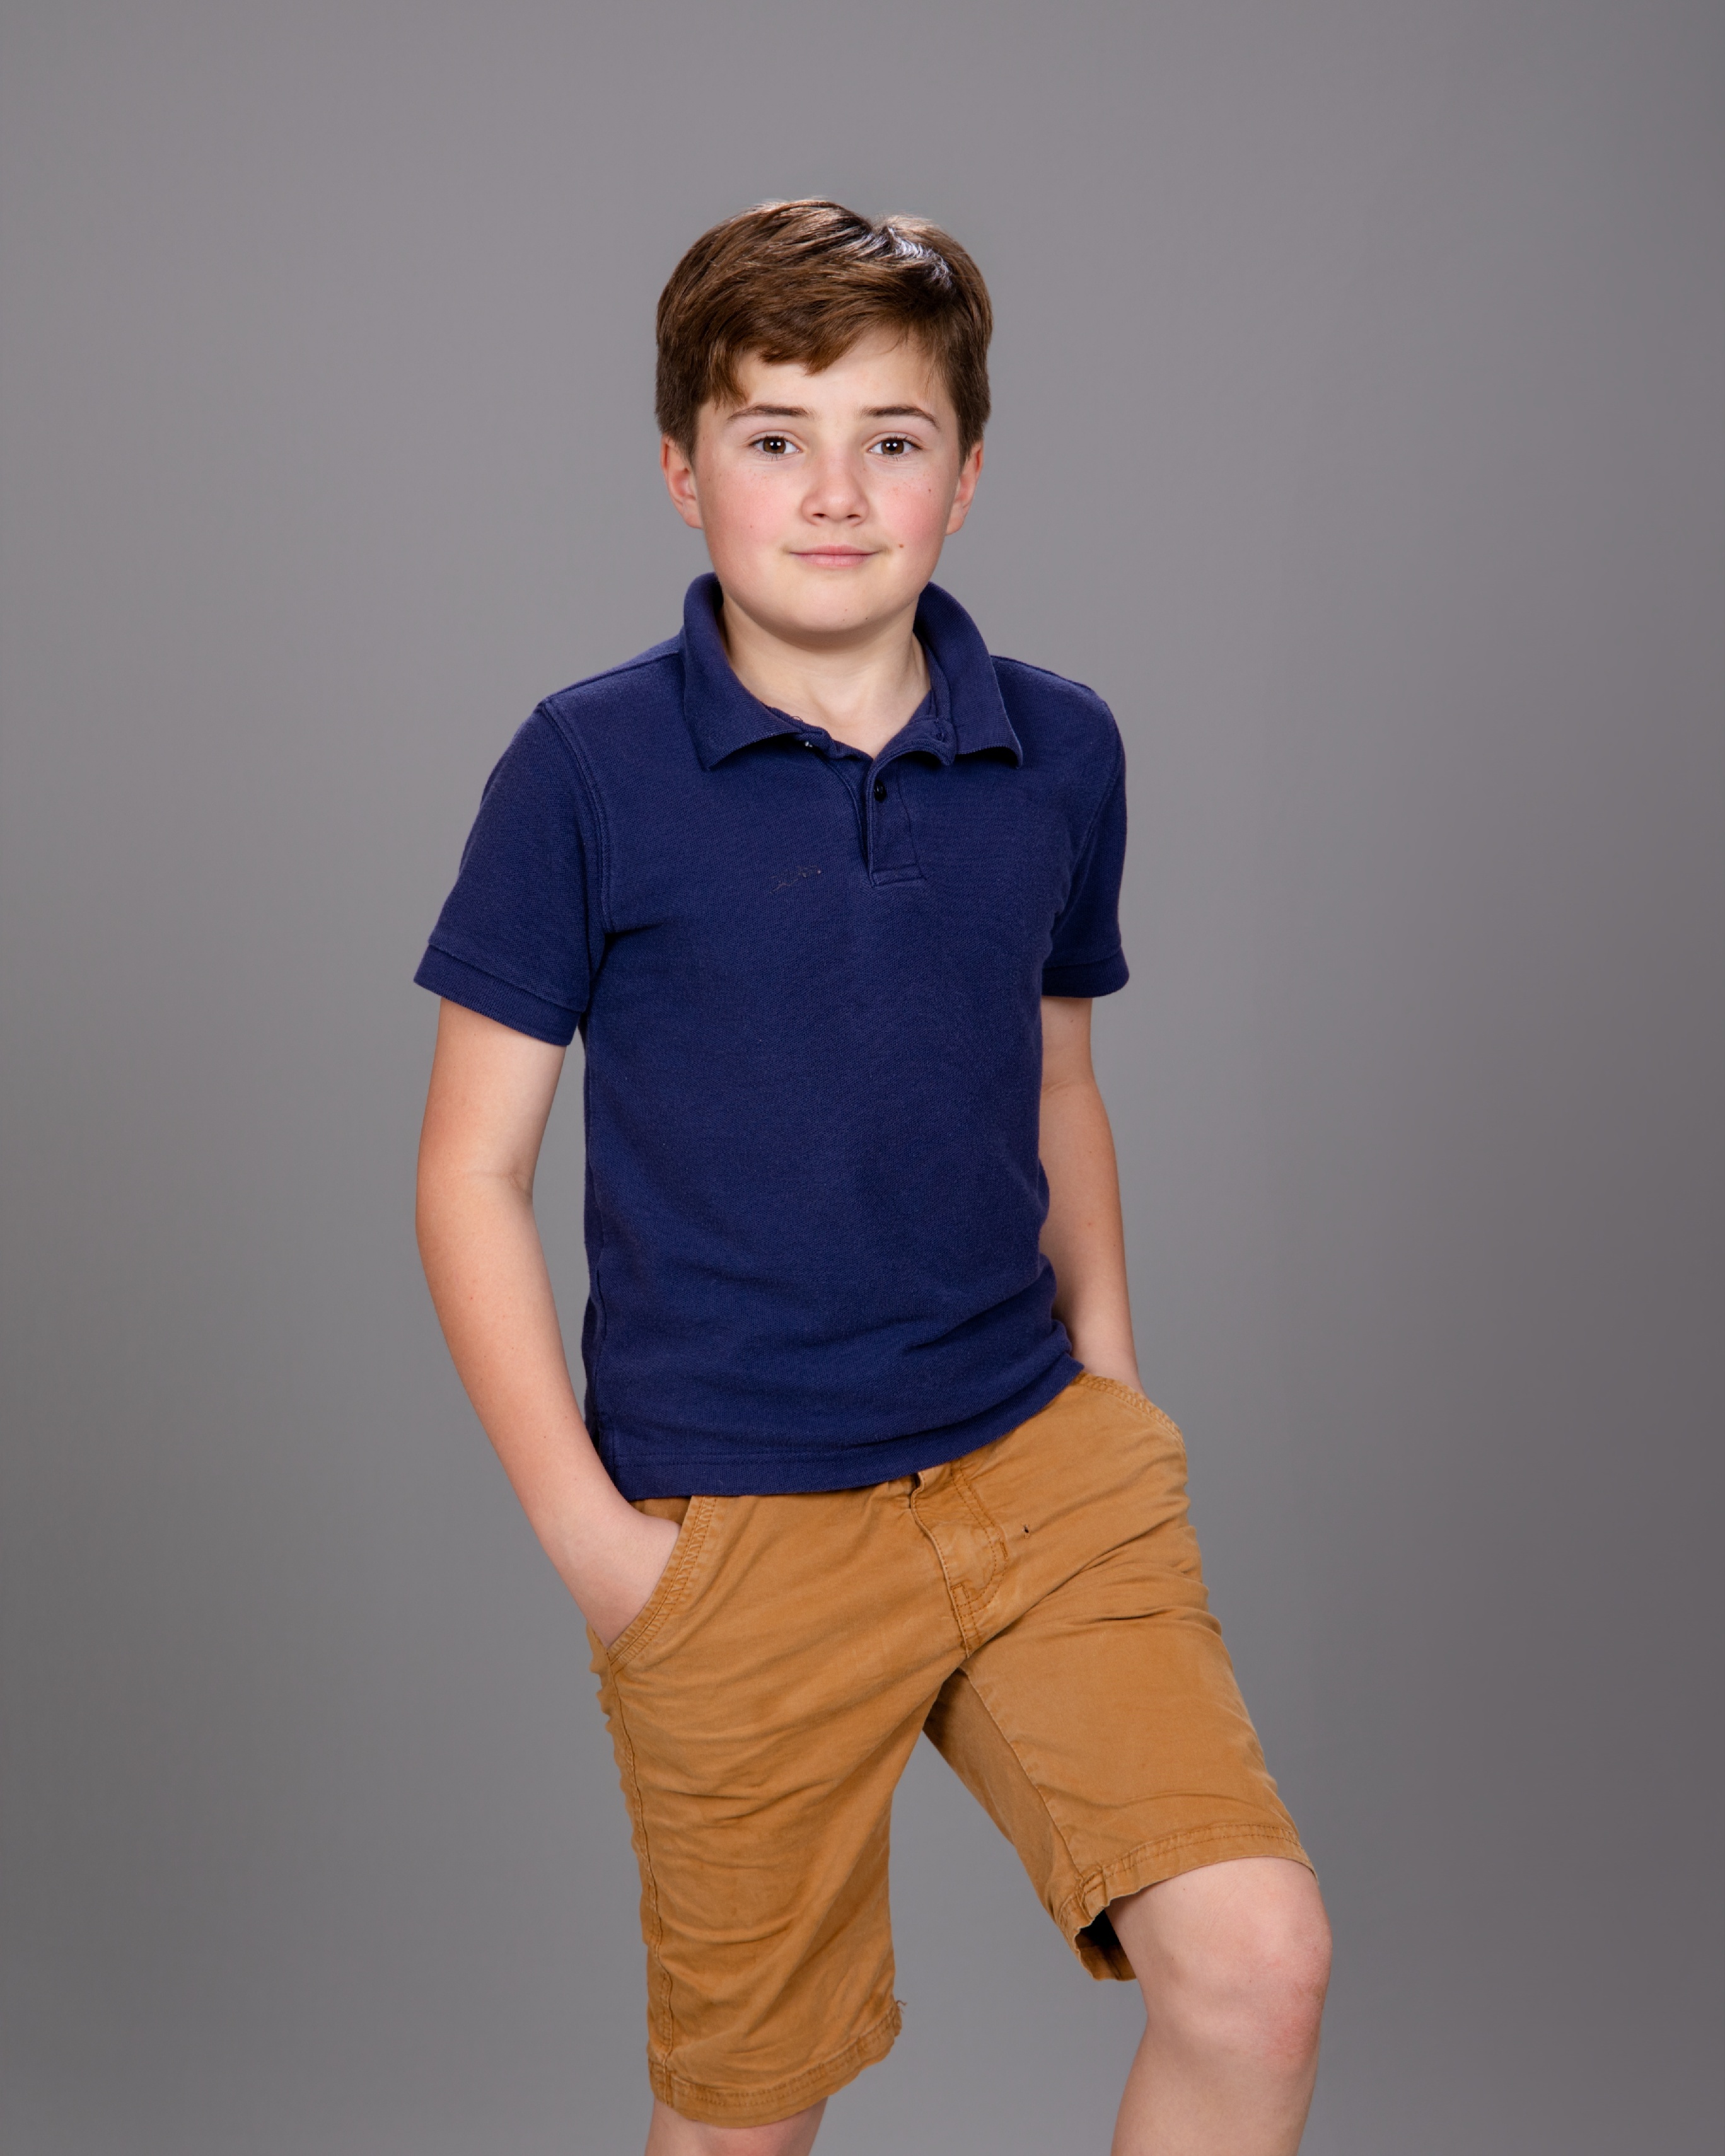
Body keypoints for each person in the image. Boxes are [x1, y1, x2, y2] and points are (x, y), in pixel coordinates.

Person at [414, 199, 1330, 2156]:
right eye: (776, 437)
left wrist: (1113, 1386)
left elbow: (1059, 1077)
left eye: (891, 440)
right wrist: (598, 1546)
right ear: (686, 472)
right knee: (750, 2111)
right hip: (735, 1527)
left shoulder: (1060, 751)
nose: (835, 493)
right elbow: (468, 1172)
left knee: (1257, 1964)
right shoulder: (584, 771)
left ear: (965, 475)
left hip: (1034, 1469)